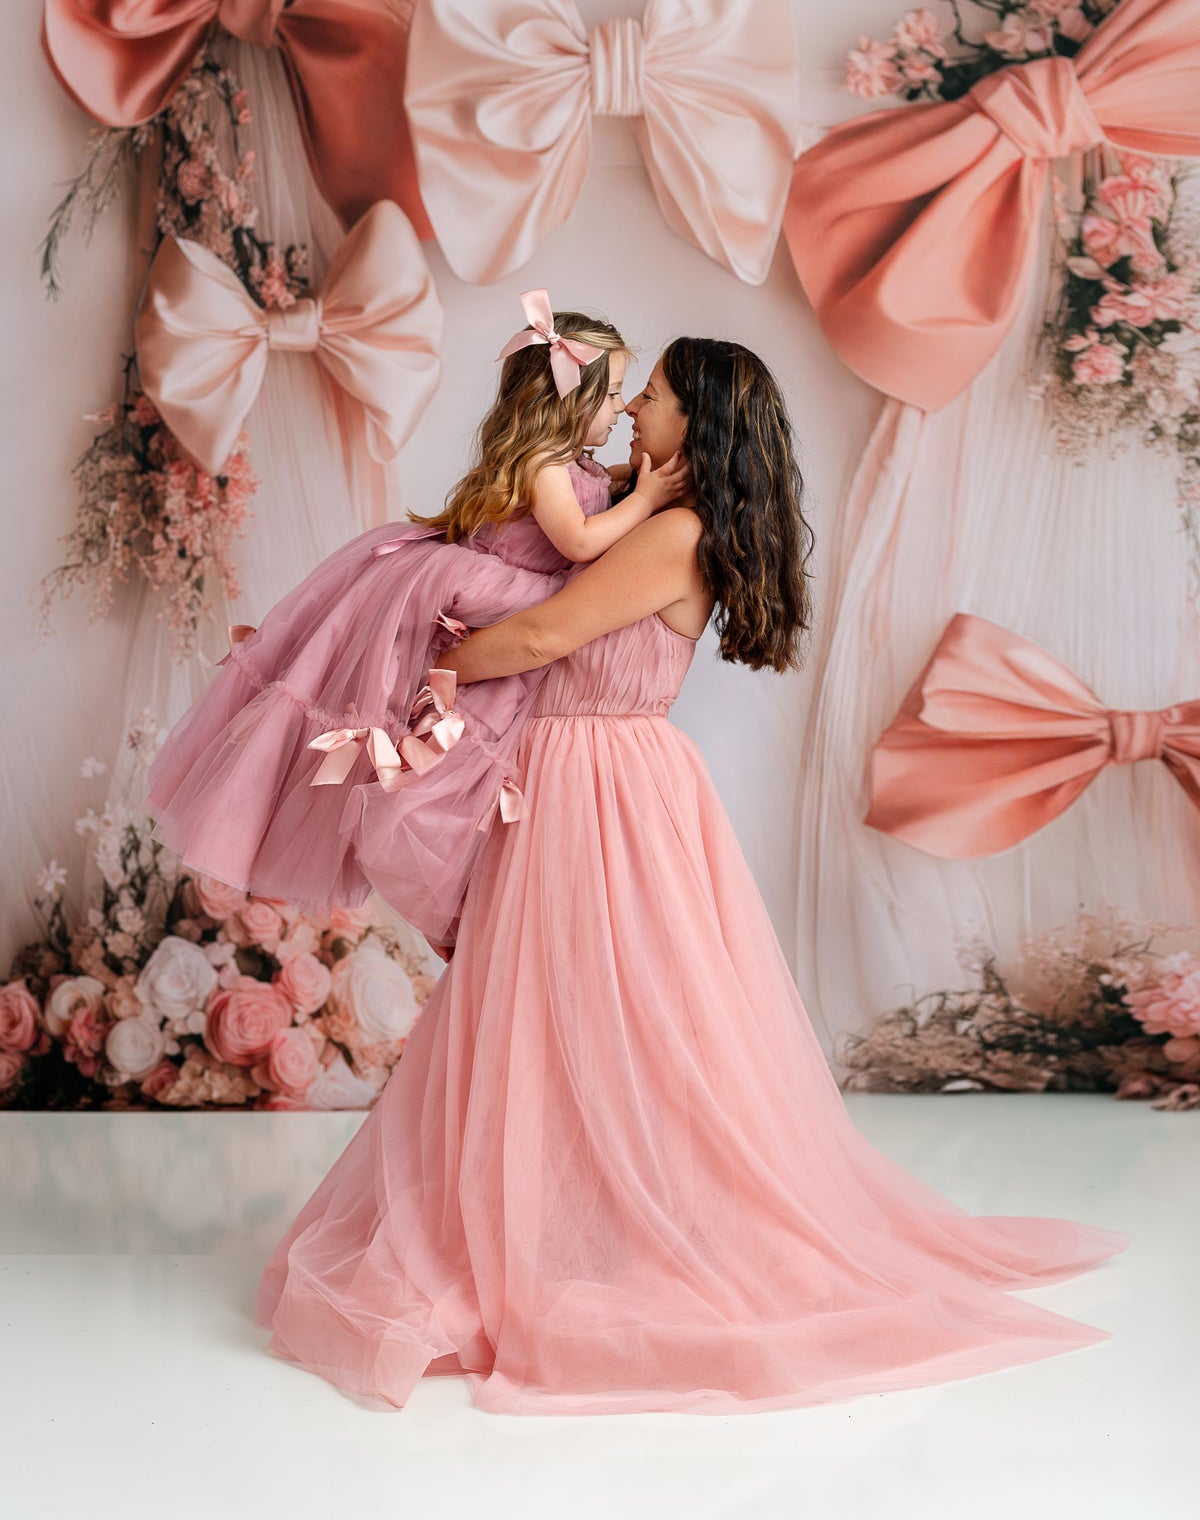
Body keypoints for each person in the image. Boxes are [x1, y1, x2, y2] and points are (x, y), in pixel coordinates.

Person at [255, 337, 1132, 1416]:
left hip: (597, 781)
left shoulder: (675, 531)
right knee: (568, 1010)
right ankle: (574, 1214)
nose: (633, 410)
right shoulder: (661, 517)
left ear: (698, 420)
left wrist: (418, 672)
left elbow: (543, 633)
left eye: (656, 395)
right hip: (598, 773)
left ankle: (608, 1228)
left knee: (604, 1010)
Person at [145, 291, 687, 946]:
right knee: (431, 729)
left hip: (515, 599)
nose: (621, 408)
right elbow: (576, 543)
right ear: (569, 402)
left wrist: (639, 479)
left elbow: (597, 501)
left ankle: (458, 878)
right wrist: (647, 499)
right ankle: (432, 869)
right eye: (613, 394)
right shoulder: (543, 465)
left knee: (465, 744)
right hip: (494, 594)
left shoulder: (574, 464)